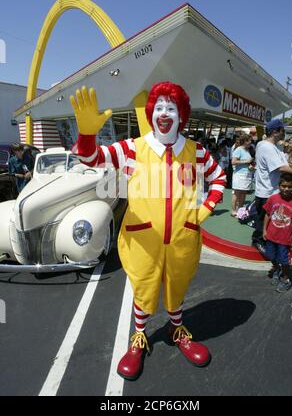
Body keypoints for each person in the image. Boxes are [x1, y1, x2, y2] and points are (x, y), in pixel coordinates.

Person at [70, 82, 226, 381]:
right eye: (159, 107)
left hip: (183, 237)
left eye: (172, 107)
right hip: (142, 239)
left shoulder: (195, 151)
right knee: (144, 288)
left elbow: (219, 177)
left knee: (177, 286)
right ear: (151, 113)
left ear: (181, 115)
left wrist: (205, 209)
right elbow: (92, 159)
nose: (164, 113)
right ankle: (139, 338)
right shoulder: (133, 148)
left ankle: (177, 329)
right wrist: (87, 134)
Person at [251, 119, 292, 254]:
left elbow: (285, 161)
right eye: (282, 130)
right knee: (263, 221)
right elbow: (282, 167)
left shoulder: (270, 145)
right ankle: (258, 241)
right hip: (267, 192)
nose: (285, 133)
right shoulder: (267, 146)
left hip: (271, 190)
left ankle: (268, 240)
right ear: (275, 132)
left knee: (273, 219)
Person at [263, 173, 292, 292]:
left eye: (289, 186)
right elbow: (268, 214)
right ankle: (277, 269)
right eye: (284, 186)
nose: (286, 189)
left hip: (285, 238)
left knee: (284, 260)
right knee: (270, 255)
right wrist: (264, 230)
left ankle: (285, 279)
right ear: (279, 185)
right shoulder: (273, 198)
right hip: (271, 235)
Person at [231, 134, 253, 217]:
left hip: (247, 174)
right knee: (237, 193)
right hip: (239, 174)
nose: (251, 142)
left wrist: (251, 166)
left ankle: (240, 209)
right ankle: (233, 210)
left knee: (244, 193)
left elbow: (247, 162)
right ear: (245, 141)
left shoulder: (247, 150)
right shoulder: (238, 149)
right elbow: (233, 162)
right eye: (250, 140)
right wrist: (246, 161)